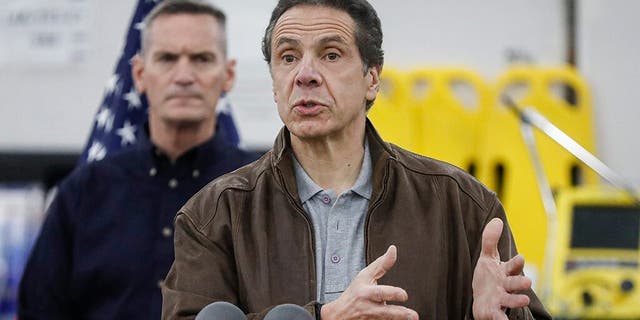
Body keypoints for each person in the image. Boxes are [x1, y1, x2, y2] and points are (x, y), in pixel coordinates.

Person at [161, 0, 553, 319]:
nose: (305, 74)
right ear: (274, 83)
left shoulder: (462, 204)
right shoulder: (214, 215)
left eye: (331, 55)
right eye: (287, 57)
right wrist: (325, 317)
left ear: (372, 78)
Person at [18, 1, 260, 319]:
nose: (184, 75)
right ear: (140, 74)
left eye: (201, 59)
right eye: (167, 58)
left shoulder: (262, 189)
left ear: (227, 75)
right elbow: (38, 310)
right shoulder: (84, 193)